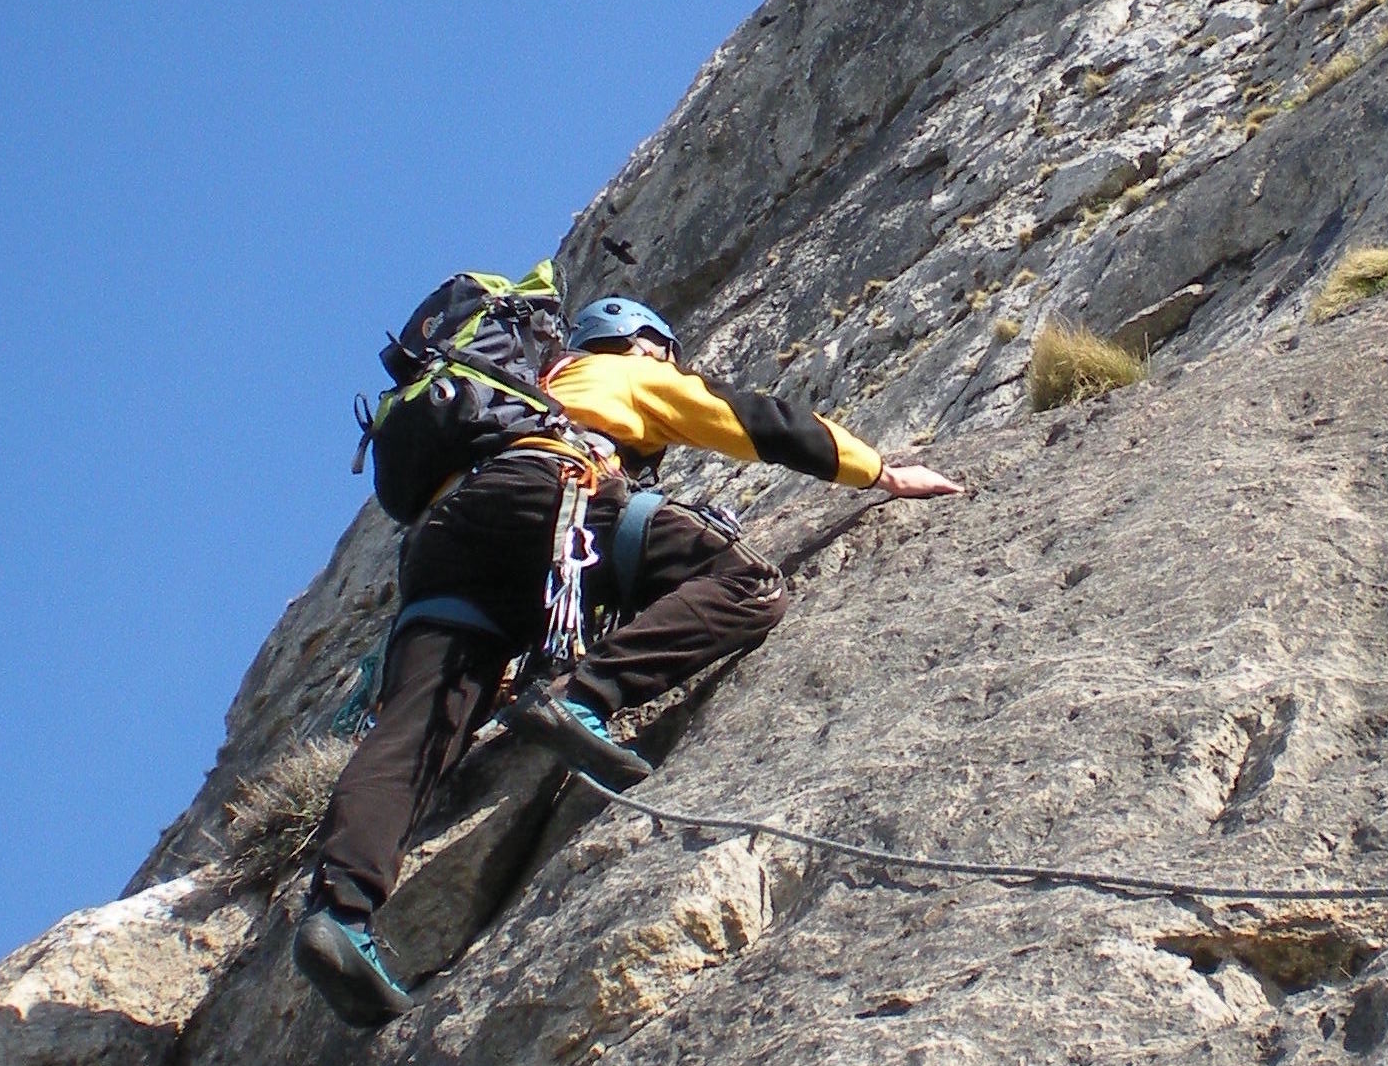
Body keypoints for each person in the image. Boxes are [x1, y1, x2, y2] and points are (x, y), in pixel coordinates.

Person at [292, 295, 962, 1027]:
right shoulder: (618, 372)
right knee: (745, 584)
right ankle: (585, 698)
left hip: (438, 550)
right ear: (644, 345)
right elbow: (753, 421)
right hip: (547, 492)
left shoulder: (513, 401)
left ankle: (340, 912)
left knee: (414, 730)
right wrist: (879, 473)